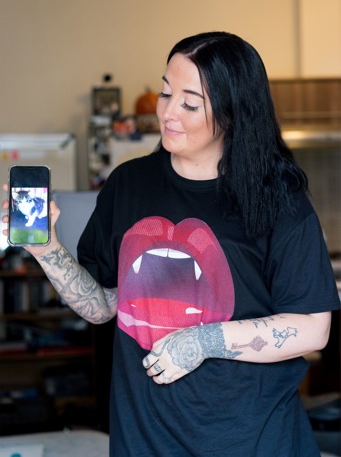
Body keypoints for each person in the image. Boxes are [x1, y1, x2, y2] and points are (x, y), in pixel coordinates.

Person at [2, 31, 340, 456]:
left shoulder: (278, 197)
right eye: (165, 92)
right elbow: (104, 305)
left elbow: (314, 328)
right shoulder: (128, 184)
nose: (167, 113)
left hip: (252, 439)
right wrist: (45, 247)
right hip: (146, 439)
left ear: (233, 114)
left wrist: (204, 341)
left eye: (189, 103)